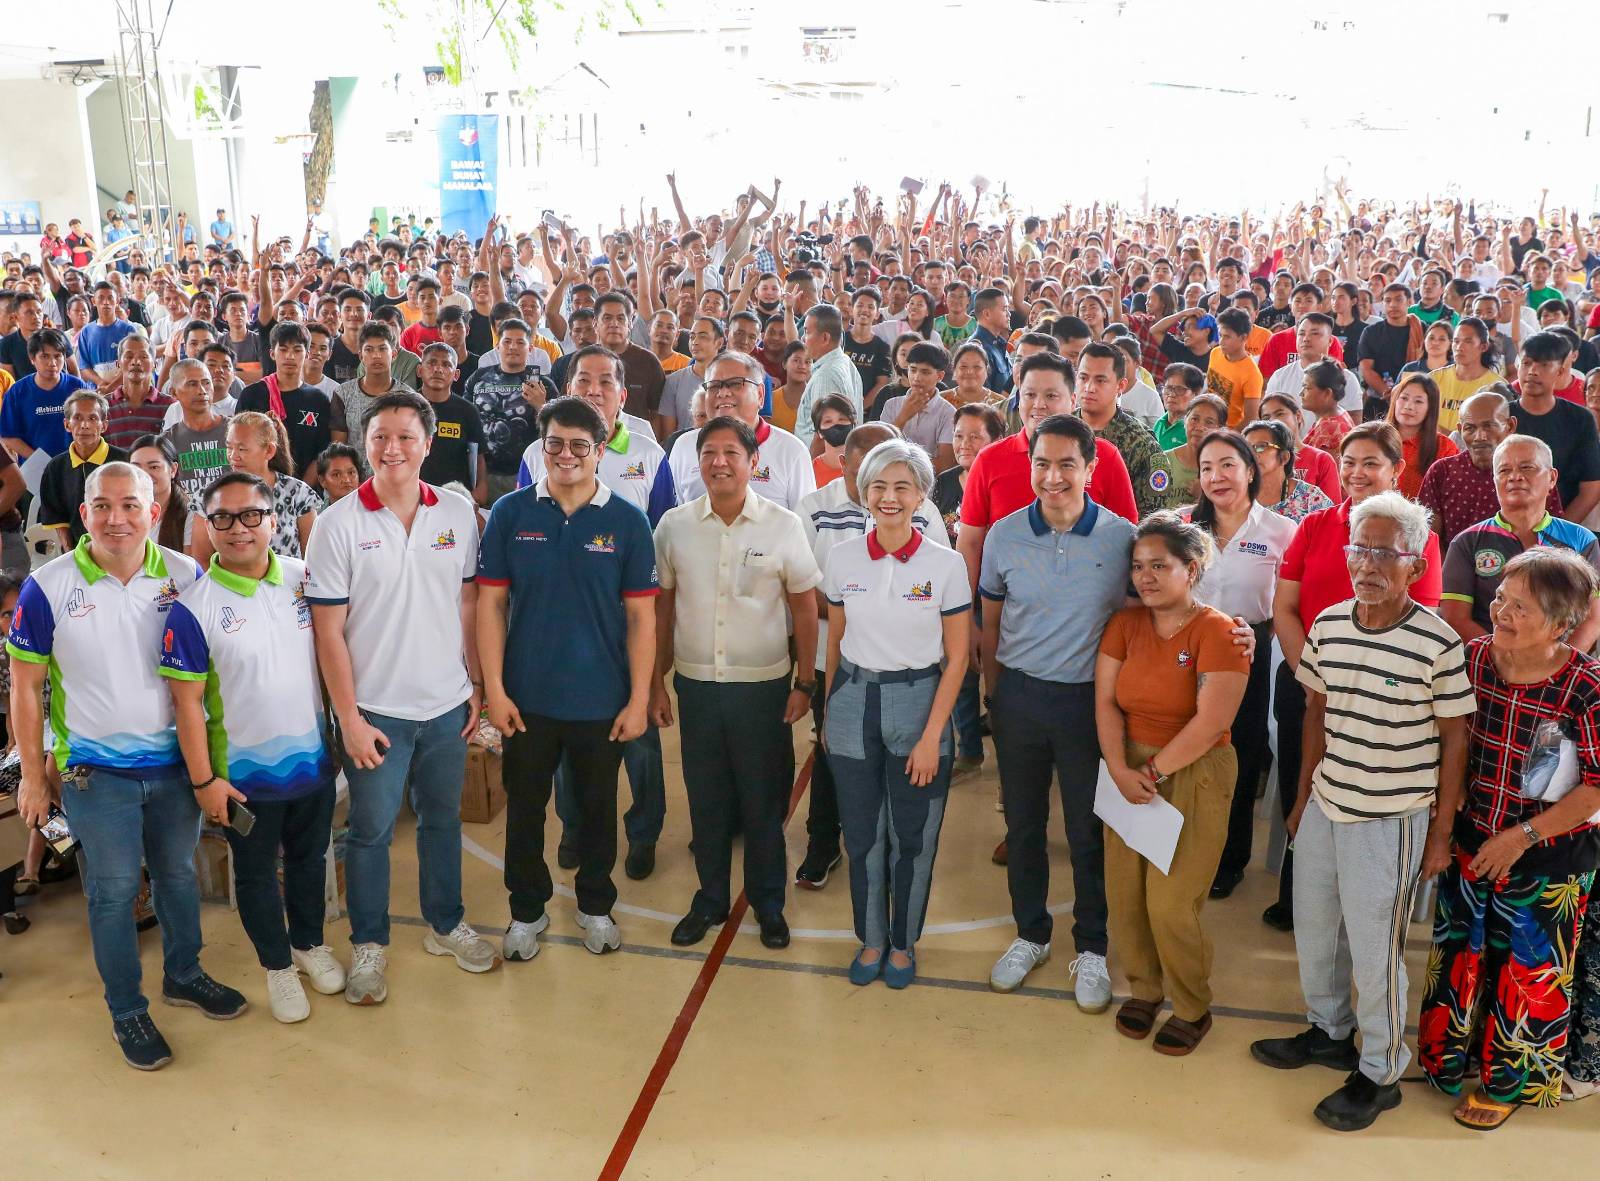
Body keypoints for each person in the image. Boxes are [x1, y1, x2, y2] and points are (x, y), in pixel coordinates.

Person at [9, 461, 244, 1070]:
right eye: (103, 506)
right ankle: (127, 1010)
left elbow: (214, 672)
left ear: (154, 512)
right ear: (83, 513)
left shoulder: (188, 575)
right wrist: (35, 775)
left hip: (174, 765)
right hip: (94, 770)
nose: (117, 518)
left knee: (177, 876)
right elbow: (25, 687)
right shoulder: (49, 585)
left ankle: (184, 974)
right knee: (113, 892)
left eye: (131, 505)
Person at [1252, 491, 1474, 1133]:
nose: (1368, 564)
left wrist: (1440, 832)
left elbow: (1454, 737)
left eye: (1384, 553)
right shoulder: (1329, 624)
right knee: (1316, 928)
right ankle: (1329, 1030)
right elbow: (1316, 714)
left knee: (1377, 950)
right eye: (1359, 550)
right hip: (1327, 803)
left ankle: (1379, 1071)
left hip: (1393, 817)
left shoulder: (1436, 642)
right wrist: (1300, 799)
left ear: (1413, 563)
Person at [305, 390, 496, 1003]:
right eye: (380, 436)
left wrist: (474, 684)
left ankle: (445, 924)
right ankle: (369, 945)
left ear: (427, 442)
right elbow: (328, 631)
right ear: (365, 443)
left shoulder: (456, 514)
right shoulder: (338, 524)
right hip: (377, 713)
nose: (392, 448)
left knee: (442, 820)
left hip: (445, 704)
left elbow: (467, 601)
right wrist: (349, 718)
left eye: (405, 436)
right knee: (371, 833)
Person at [1416, 548, 1600, 1126]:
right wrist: (1443, 835)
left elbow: (1595, 790)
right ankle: (1453, 1058)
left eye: (1521, 607)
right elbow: (1449, 745)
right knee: (1461, 956)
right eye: (1501, 597)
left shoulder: (1585, 688)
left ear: (1561, 624)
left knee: (1528, 973)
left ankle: (1510, 1084)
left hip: (1550, 853)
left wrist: (1519, 838)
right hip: (1473, 838)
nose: (1502, 611)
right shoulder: (1472, 662)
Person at [160, 471, 344, 1024]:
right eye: (223, 518)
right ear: (208, 527)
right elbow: (186, 704)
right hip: (241, 777)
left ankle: (309, 945)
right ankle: (277, 967)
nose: (238, 529)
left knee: (311, 859)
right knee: (258, 872)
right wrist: (203, 781)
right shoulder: (191, 607)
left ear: (273, 521)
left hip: (310, 761)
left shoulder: (302, 579)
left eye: (251, 516)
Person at [479, 396, 656, 960]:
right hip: (525, 700)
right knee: (526, 813)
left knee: (597, 811)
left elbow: (641, 618)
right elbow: (490, 607)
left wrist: (637, 699)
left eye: (581, 445)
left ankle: (595, 906)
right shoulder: (511, 513)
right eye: (555, 443)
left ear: (600, 452)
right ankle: (526, 912)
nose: (567, 455)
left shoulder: (627, 521)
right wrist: (496, 692)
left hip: (601, 700)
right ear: (541, 446)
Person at [980, 415, 1137, 1009]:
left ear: (1091, 470)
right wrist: (996, 695)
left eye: (1067, 464)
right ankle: (1030, 934)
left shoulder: (1121, 538)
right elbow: (990, 625)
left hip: (1086, 704)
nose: (1053, 476)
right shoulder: (1003, 535)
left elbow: (1149, 610)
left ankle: (1091, 947)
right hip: (1019, 696)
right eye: (1042, 463)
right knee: (1022, 826)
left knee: (1085, 830)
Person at [650, 415, 821, 951]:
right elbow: (663, 607)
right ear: (697, 462)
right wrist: (656, 681)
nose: (719, 462)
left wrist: (805, 681)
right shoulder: (675, 526)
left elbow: (805, 607)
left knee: (764, 803)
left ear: (753, 463)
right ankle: (710, 900)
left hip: (765, 690)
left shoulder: (782, 525)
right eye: (709, 453)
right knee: (706, 801)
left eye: (731, 453)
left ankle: (768, 904)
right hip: (698, 687)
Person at [1266, 422, 1445, 932]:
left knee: (1366, 792)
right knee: (1303, 782)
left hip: (1382, 690)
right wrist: (1312, 674)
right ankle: (1299, 896)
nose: (1357, 472)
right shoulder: (1317, 524)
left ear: (1396, 469)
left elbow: (1422, 614)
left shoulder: (1420, 538)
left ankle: (1365, 904)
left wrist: (1351, 678)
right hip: (1307, 677)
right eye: (1348, 462)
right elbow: (1285, 607)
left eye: (1371, 462)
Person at [1095, 512, 1249, 1053]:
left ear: (1193, 567)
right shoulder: (1124, 624)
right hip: (1127, 765)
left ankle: (1190, 1004)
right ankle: (1144, 987)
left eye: (1160, 566)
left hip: (1193, 770)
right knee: (1126, 895)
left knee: (1171, 902)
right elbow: (1107, 703)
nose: (1146, 577)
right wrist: (1118, 767)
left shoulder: (1221, 631)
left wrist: (1153, 772)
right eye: (1139, 567)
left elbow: (1210, 722)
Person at [822, 438, 969, 989]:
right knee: (861, 833)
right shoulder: (841, 558)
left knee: (913, 834)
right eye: (878, 486)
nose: (889, 497)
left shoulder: (945, 564)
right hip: (854, 702)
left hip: (919, 702)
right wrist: (829, 711)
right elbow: (836, 641)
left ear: (922, 495)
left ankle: (903, 943)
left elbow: (957, 660)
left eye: (902, 486)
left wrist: (934, 735)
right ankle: (871, 938)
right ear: (863, 493)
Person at [797, 423, 948, 891]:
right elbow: (803, 588)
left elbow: (940, 584)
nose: (880, 492)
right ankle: (822, 845)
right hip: (837, 660)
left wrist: (867, 602)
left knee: (896, 763)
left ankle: (889, 852)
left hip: (905, 669)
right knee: (832, 757)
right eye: (867, 478)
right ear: (843, 465)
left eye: (890, 479)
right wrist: (855, 603)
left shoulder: (923, 515)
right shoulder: (815, 509)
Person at [1185, 431, 1297, 898]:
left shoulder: (1280, 532)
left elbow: (1287, 604)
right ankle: (1178, 845)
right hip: (1185, 651)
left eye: (1228, 465)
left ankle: (1229, 859)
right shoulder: (1181, 528)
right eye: (1207, 467)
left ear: (1252, 471)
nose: (1217, 477)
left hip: (1249, 649)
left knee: (1239, 755)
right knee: (1180, 747)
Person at [958, 353, 1139, 612]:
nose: (1039, 405)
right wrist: (967, 616)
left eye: (1051, 396)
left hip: (1088, 616)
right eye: (1029, 395)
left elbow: (1127, 542)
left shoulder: (1104, 457)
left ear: (1072, 400)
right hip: (1005, 612)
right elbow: (970, 543)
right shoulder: (990, 459)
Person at [1440, 434, 1600, 648]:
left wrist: (1557, 668)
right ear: (1494, 480)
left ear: (1552, 478)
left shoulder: (1581, 540)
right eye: (1504, 470)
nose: (1515, 476)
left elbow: (1593, 618)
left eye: (1527, 467)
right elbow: (1456, 618)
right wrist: (1506, 661)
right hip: (1489, 666)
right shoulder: (1467, 542)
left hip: (1563, 670)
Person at [662, 349, 816, 511]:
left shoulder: (791, 451)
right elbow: (677, 514)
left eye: (735, 383)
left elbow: (804, 524)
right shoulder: (684, 446)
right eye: (714, 386)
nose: (723, 392)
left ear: (760, 395)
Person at [1419, 389, 1556, 547]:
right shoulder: (1442, 472)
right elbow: (1428, 541)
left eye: (1489, 426)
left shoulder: (1535, 472)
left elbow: (1551, 535)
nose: (1480, 436)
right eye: (1470, 428)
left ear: (1510, 426)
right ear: (1460, 429)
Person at [196, 412, 318, 561]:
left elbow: (312, 560)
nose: (233, 456)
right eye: (229, 448)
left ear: (269, 450)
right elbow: (201, 558)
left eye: (242, 449)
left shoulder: (299, 493)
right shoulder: (210, 494)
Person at [1076, 341, 1176, 518]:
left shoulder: (1142, 444)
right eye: (1083, 377)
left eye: (1100, 380)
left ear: (1120, 386)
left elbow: (1154, 519)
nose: (1089, 387)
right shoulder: (1059, 432)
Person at [1509, 332, 1600, 524]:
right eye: (1526, 363)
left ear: (1560, 372)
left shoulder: (1580, 419)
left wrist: (1556, 532)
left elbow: (1591, 488)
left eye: (1543, 365)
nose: (1532, 371)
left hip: (1562, 522)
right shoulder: (1501, 416)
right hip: (1504, 521)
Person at [466, 317, 557, 502]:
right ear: (497, 346)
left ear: (530, 348)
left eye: (520, 342)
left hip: (527, 472)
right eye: (507, 341)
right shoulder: (478, 378)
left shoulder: (543, 384)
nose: (513, 347)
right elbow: (466, 420)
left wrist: (541, 405)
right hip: (484, 472)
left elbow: (558, 430)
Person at [235, 323, 334, 484]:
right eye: (283, 349)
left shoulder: (319, 400)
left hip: (304, 492)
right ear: (272, 353)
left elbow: (321, 454)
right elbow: (240, 446)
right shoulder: (252, 395)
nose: (290, 356)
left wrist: (298, 491)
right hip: (257, 488)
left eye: (297, 350)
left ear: (307, 354)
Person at [40, 390, 130, 550]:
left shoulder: (125, 462)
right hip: (76, 552)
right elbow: (59, 520)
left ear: (104, 425)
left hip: (121, 547)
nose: (85, 425)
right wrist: (73, 556)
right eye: (77, 418)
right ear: (67, 424)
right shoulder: (55, 468)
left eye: (93, 418)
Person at [412, 342, 488, 501]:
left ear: (456, 374)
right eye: (432, 363)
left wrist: (481, 487)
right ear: (419, 370)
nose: (438, 369)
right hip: (413, 495)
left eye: (446, 365)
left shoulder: (468, 411)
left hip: (456, 497)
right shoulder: (406, 407)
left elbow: (478, 455)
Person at [1, 327, 85, 459]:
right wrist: (40, 460)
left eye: (57, 356)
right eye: (44, 356)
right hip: (35, 468)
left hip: (75, 463)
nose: (52, 363)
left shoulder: (78, 387)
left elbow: (91, 426)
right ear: (32, 358)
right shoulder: (17, 392)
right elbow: (9, 436)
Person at [793, 304, 864, 447]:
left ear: (825, 338)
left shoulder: (826, 376)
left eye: (807, 332)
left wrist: (812, 468)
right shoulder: (844, 361)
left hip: (817, 465)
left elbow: (825, 438)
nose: (802, 338)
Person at [160, 358, 231, 502]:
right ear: (174, 393)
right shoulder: (166, 442)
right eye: (192, 384)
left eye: (206, 382)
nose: (202, 391)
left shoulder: (234, 431)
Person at [879, 340, 957, 469]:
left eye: (925, 372)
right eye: (913, 370)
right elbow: (880, 448)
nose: (917, 377)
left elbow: (945, 462)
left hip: (930, 483)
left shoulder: (948, 413)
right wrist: (903, 417)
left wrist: (904, 471)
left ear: (940, 376)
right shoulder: (891, 405)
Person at [1243, 418, 1334, 523]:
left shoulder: (1310, 498)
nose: (1252, 454)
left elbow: (1330, 534)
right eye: (1247, 449)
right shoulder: (1238, 495)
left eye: (1261, 446)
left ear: (1285, 457)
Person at [1385, 372, 1459, 499]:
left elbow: (1451, 494)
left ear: (1430, 408)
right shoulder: (1374, 437)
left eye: (1418, 401)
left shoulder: (1445, 447)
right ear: (1395, 400)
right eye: (1404, 398)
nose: (1408, 406)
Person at [104, 335, 173, 450]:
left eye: (144, 357)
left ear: (154, 364)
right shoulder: (103, 406)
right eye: (129, 356)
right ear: (118, 364)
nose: (136, 362)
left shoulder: (170, 405)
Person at [128, 434, 191, 553]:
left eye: (154, 467)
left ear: (173, 469)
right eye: (136, 468)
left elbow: (192, 568)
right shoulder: (120, 515)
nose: (144, 475)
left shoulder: (191, 515)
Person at [1162, 393, 1227, 505]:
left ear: (1220, 429)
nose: (1200, 427)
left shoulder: (1224, 468)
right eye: (1195, 419)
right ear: (1185, 421)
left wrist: (1203, 496)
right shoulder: (1164, 461)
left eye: (1209, 422)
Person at [1300, 359, 1354, 454]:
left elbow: (1324, 468)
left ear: (1327, 393)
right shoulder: (1339, 414)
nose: (1301, 393)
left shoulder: (1329, 428)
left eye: (1306, 388)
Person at [809, 393, 855, 488]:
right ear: (819, 432)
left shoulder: (865, 466)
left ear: (853, 424)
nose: (836, 425)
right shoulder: (810, 471)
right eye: (828, 421)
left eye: (842, 419)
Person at [1153, 362, 1202, 451]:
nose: (1171, 394)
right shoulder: (1159, 423)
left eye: (1179, 389)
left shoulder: (1194, 431)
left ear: (1196, 393)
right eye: (1168, 388)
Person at [315, 442, 362, 506]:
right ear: (322, 481)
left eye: (351, 473)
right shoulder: (318, 515)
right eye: (337, 475)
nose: (346, 480)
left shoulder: (373, 512)